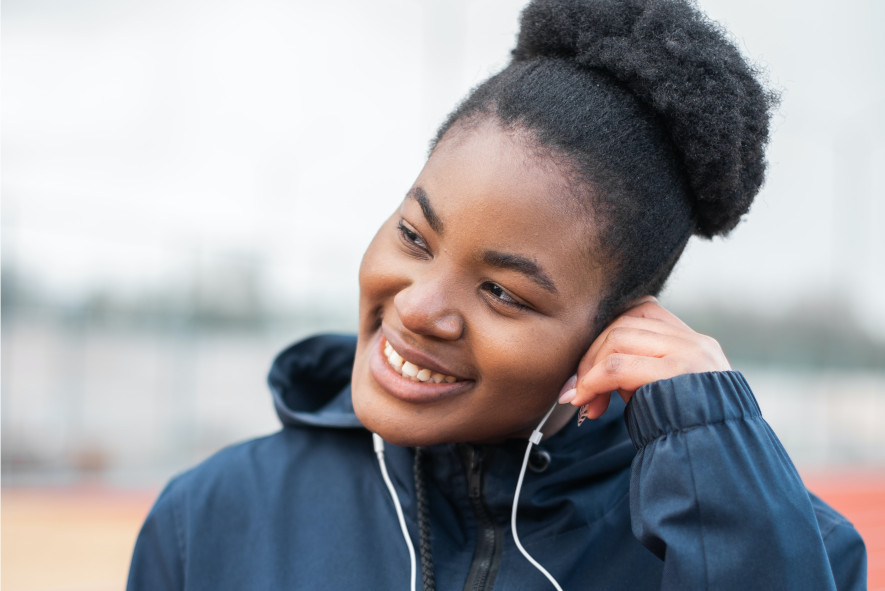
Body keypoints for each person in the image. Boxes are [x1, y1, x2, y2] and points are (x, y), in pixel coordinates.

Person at [127, 0, 867, 589]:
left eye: (502, 292)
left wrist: (726, 489)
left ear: (616, 328)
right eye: (415, 236)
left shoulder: (793, 553)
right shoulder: (212, 516)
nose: (417, 307)